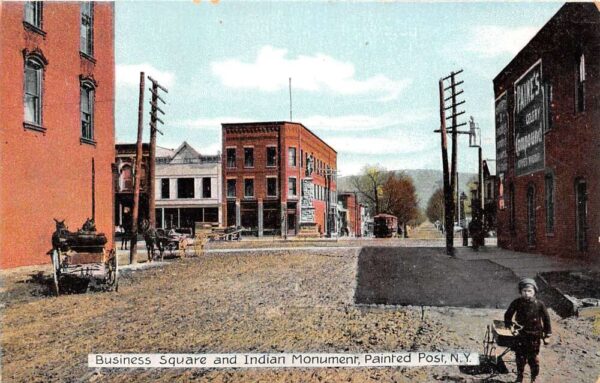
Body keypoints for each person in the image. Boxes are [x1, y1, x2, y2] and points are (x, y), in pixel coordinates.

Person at [504, 278, 552, 383]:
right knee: (520, 358)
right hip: (520, 335)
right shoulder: (516, 302)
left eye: (529, 291)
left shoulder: (539, 304)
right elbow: (508, 315)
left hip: (534, 336)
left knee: (533, 359)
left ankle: (533, 378)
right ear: (521, 291)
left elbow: (546, 319)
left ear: (534, 292)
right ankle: (519, 377)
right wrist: (509, 325)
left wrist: (547, 334)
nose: (526, 293)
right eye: (524, 291)